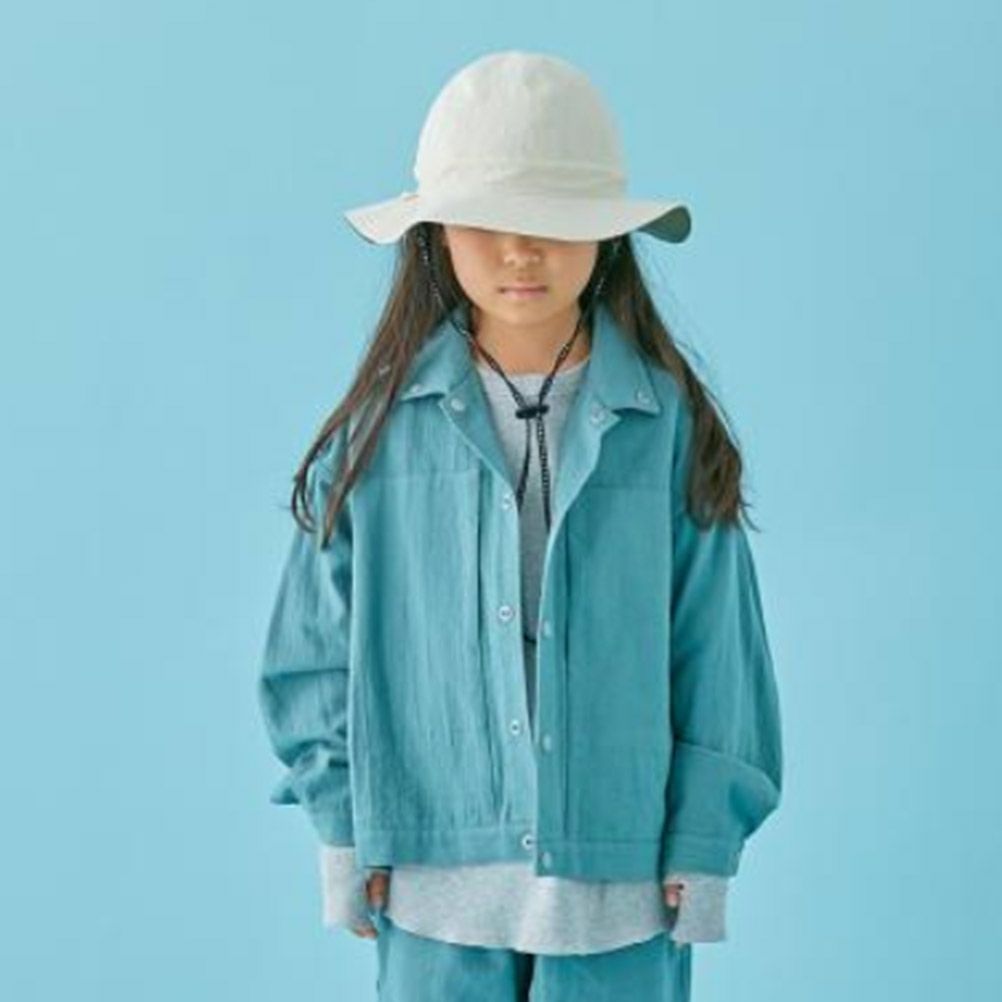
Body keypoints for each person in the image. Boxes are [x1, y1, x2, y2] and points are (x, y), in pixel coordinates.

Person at [257, 49, 783, 1001]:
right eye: (485, 222)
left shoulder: (670, 429)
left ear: (605, 236)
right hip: (434, 878)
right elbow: (312, 653)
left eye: (551, 221)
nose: (519, 251)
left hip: (622, 883)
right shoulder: (376, 436)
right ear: (435, 236)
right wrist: (342, 826)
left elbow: (719, 653)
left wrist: (706, 840)